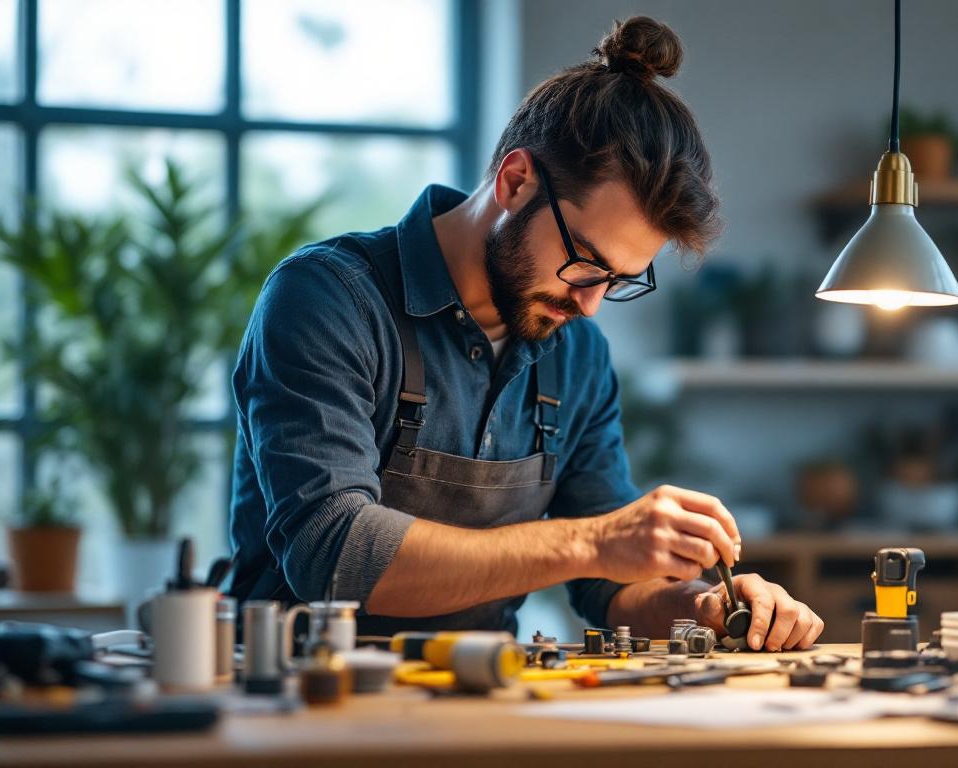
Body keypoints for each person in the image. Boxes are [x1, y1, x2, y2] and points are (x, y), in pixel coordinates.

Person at [228, 16, 823, 651]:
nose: (591, 304)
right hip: (302, 701)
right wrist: (592, 540)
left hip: (481, 699)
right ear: (516, 182)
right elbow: (333, 554)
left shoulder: (577, 354)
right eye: (586, 262)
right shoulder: (329, 299)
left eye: (620, 279)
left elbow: (605, 588)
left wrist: (701, 605)